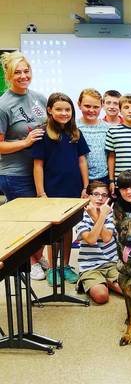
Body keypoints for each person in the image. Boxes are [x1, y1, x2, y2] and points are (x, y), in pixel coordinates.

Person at [32, 92, 89, 286]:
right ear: (49, 110)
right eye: (59, 109)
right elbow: (38, 165)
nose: (64, 113)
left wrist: (86, 186)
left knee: (67, 230)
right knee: (53, 232)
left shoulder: (75, 133)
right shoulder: (42, 134)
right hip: (51, 191)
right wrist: (41, 193)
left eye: (67, 109)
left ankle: (64, 266)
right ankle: (53, 269)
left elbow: (82, 160)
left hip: (73, 189)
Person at [0, 51, 48, 280]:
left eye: (26, 71)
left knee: (41, 218)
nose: (22, 75)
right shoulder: (3, 105)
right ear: (8, 76)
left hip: (38, 170)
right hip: (15, 173)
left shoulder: (39, 98)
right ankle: (27, 262)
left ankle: (36, 256)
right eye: (17, 72)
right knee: (26, 221)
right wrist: (25, 142)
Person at [76, 181, 122, 304]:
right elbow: (91, 240)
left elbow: (106, 237)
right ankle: (90, 280)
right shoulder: (80, 216)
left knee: (130, 291)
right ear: (88, 196)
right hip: (90, 266)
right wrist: (100, 216)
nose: (100, 198)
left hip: (112, 263)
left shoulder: (111, 214)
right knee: (101, 297)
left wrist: (100, 215)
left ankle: (106, 281)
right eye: (95, 194)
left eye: (104, 195)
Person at [77, 88, 109, 184]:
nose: (91, 110)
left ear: (102, 106)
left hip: (104, 178)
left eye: (96, 107)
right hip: (80, 178)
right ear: (79, 105)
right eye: (87, 106)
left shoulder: (107, 128)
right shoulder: (73, 127)